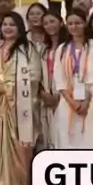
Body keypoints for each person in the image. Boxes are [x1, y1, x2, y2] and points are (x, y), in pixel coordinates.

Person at [0, 12, 39, 185]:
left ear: (19, 28)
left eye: (12, 25)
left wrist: (5, 86)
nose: (7, 28)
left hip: (19, 107)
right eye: (5, 24)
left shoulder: (28, 49)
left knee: (19, 148)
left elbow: (33, 77)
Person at [53, 10, 93, 149]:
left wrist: (86, 101)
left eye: (78, 23)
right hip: (68, 102)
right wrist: (72, 102)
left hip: (91, 102)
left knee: (90, 141)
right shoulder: (62, 49)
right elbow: (59, 78)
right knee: (67, 141)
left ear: (85, 24)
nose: (74, 26)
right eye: (70, 23)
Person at [39, 10, 65, 147]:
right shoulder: (43, 49)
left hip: (65, 97)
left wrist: (59, 95)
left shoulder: (68, 47)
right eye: (46, 23)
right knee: (49, 136)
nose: (49, 26)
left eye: (52, 21)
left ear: (61, 22)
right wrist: (43, 93)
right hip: (47, 98)